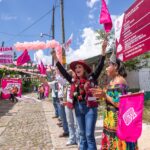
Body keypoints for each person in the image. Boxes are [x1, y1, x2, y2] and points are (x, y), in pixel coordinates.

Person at [51, 40, 107, 150]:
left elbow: (100, 66)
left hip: (90, 109)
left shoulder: (92, 78)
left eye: (79, 67)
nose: (77, 69)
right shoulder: (73, 81)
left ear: (84, 69)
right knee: (82, 135)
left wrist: (103, 51)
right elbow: (63, 72)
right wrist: (55, 58)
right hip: (78, 108)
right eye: (75, 68)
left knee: (89, 135)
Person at [91, 53, 138, 150]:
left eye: (108, 65)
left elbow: (120, 104)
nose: (106, 68)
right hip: (110, 120)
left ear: (115, 66)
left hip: (117, 121)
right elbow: (109, 98)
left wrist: (105, 95)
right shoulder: (112, 81)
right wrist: (101, 96)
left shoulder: (120, 81)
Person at [64, 70, 79, 145]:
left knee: (76, 124)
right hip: (68, 103)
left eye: (73, 71)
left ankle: (78, 140)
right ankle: (72, 139)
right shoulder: (68, 81)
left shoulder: (77, 81)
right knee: (70, 123)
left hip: (75, 104)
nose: (72, 73)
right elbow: (65, 92)